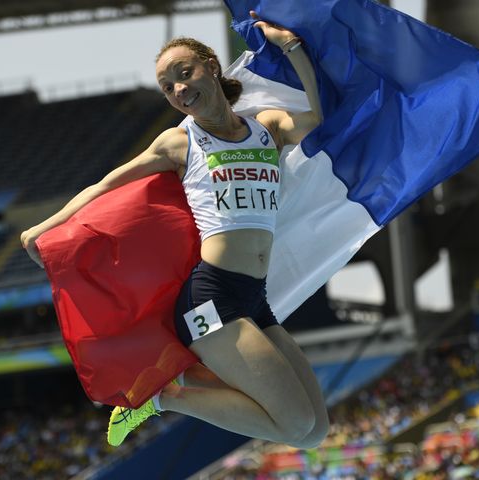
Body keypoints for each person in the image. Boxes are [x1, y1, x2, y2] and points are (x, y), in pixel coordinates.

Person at [21, 11, 329, 449]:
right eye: (168, 87)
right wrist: (44, 232)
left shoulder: (267, 129)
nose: (180, 90)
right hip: (211, 300)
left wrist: (291, 48)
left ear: (212, 67)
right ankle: (162, 395)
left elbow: (319, 121)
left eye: (185, 74)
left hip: (252, 296)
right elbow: (106, 185)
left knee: (316, 432)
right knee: (296, 424)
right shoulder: (179, 143)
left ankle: (172, 387)